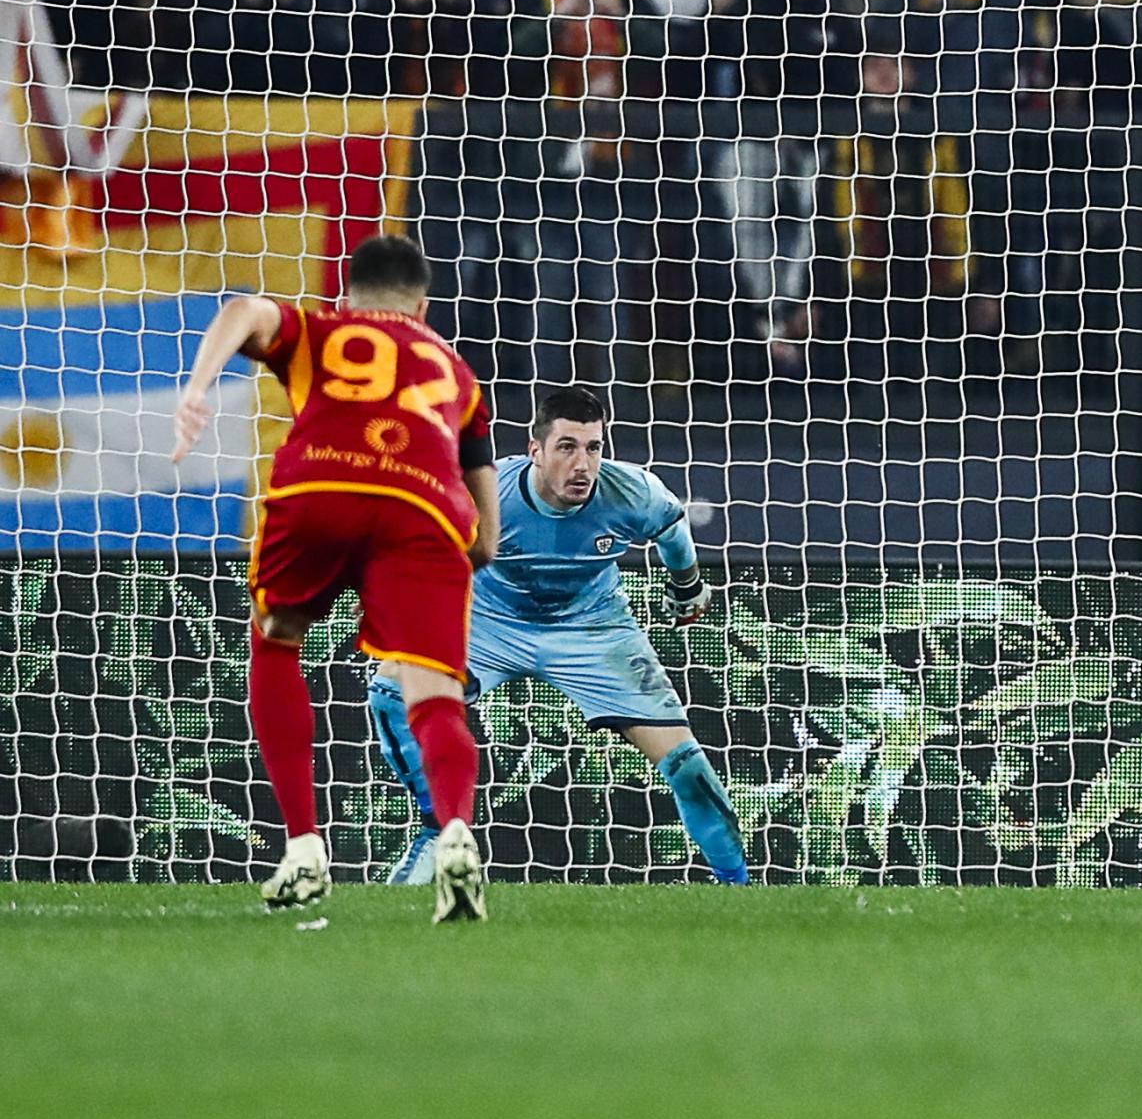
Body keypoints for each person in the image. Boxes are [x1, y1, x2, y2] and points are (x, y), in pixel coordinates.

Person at [164, 232, 500, 922]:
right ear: (424, 304)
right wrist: (461, 551)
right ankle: (458, 834)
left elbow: (244, 310)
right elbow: (486, 524)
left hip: (322, 481)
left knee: (277, 636)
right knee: (433, 691)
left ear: (346, 293)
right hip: (426, 505)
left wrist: (198, 388)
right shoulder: (458, 373)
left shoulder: (320, 328)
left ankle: (304, 848)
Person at [366, 386, 749, 887]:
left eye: (593, 447)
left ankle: (739, 889)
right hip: (490, 621)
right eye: (567, 447)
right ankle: (437, 829)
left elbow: (673, 527)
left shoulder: (631, 492)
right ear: (536, 451)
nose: (583, 464)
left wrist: (688, 587)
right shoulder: (488, 492)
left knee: (689, 768)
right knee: (391, 688)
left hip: (592, 628)